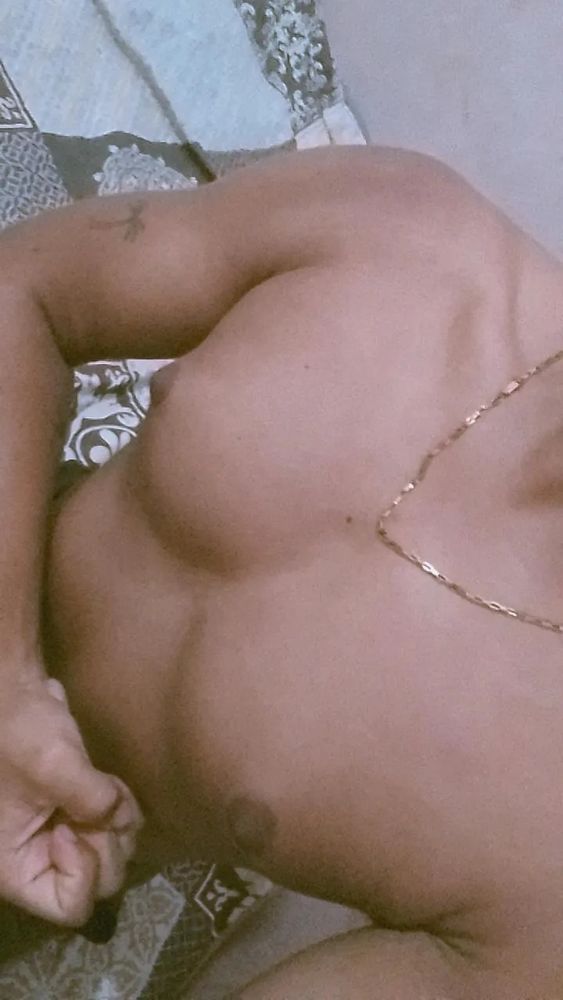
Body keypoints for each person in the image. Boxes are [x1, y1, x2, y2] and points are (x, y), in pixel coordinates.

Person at [2, 144, 563, 997]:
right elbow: (26, 289)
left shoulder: (545, 872)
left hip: (31, 865)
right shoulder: (408, 229)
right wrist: (7, 678)